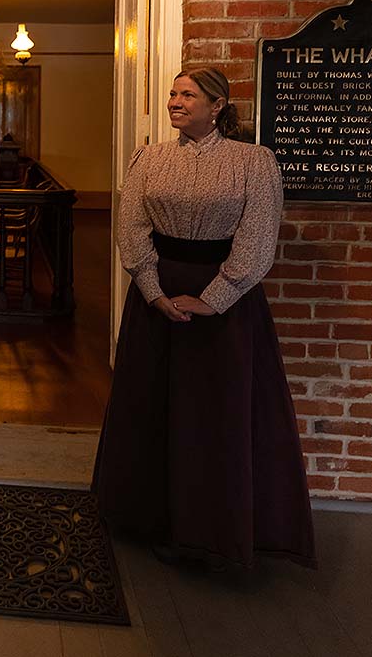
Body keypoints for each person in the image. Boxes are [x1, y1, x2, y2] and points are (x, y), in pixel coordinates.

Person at [92, 66, 315, 569]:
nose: (175, 101)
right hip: (157, 303)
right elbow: (131, 230)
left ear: (217, 106)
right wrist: (152, 290)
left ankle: (210, 528)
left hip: (225, 311)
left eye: (187, 94)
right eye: (172, 93)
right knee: (151, 406)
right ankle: (146, 516)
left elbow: (258, 238)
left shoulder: (253, 162)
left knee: (215, 416)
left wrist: (216, 297)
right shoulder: (148, 158)